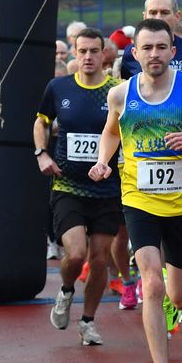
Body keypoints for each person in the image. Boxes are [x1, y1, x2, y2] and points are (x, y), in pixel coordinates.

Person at [90, 18, 182, 363]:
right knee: (152, 286)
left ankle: (176, 306)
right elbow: (110, 131)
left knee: (180, 293)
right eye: (147, 48)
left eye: (162, 47)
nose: (154, 54)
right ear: (134, 53)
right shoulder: (121, 95)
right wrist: (104, 160)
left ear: (173, 53)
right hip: (138, 197)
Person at [39, 28, 124, 346]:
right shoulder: (58, 86)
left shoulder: (118, 91)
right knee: (75, 254)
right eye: (82, 51)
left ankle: (88, 321)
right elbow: (41, 121)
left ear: (104, 54)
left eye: (94, 51)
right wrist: (41, 152)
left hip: (107, 189)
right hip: (68, 187)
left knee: (100, 258)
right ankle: (65, 290)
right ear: (74, 53)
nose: (88, 57)